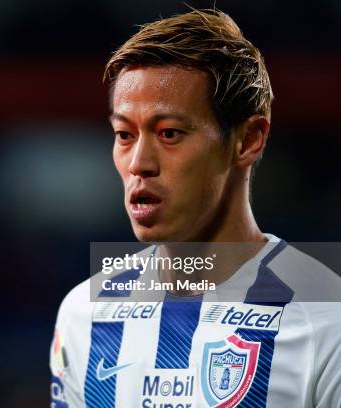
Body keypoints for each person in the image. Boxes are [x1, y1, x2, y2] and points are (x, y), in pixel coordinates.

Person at [50, 9, 341, 408]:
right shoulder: (84, 314)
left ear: (248, 141)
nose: (138, 162)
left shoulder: (325, 318)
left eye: (169, 133)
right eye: (124, 134)